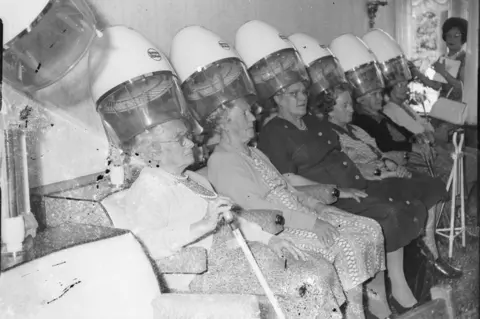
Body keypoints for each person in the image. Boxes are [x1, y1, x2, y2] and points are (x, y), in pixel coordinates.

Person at [121, 118, 349, 318]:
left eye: (187, 136)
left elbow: (231, 221)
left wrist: (270, 239)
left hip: (236, 253)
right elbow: (145, 244)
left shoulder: (192, 178)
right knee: (306, 282)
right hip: (202, 273)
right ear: (153, 151)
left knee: (319, 268)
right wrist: (201, 226)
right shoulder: (148, 188)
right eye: (180, 139)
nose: (191, 143)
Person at [206, 98, 386, 319]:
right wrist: (312, 223)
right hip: (278, 229)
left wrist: (318, 206)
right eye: (245, 113)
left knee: (370, 228)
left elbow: (288, 188)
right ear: (224, 123)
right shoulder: (222, 160)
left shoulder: (253, 152)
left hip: (301, 212)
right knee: (346, 243)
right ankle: (354, 315)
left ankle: (375, 308)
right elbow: (258, 209)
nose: (254, 117)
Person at [408, 17, 468, 143]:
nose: (451, 39)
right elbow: (435, 85)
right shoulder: (443, 58)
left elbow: (461, 87)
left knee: (439, 135)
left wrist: (443, 72)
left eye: (456, 35)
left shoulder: (465, 59)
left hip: (456, 110)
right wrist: (416, 71)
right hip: (441, 107)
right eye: (448, 35)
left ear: (463, 37)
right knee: (426, 132)